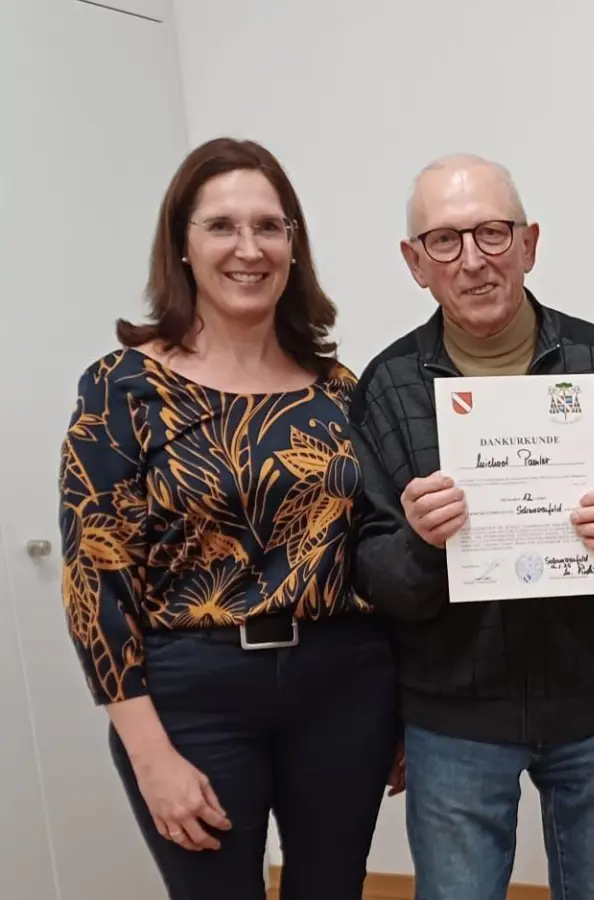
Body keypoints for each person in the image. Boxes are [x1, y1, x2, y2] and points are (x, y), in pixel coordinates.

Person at [56, 137, 399, 899]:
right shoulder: (125, 387)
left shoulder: (339, 389)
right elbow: (95, 582)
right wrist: (148, 753)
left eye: (269, 227)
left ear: (292, 244)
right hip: (192, 695)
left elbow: (372, 549)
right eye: (221, 226)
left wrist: (401, 703)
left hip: (345, 686)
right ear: (181, 244)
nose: (249, 249)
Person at [348, 153, 594, 900]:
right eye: (444, 241)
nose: (472, 261)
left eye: (492, 234)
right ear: (414, 263)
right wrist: (418, 545)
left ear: (530, 243)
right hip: (453, 719)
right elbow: (373, 576)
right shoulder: (386, 388)